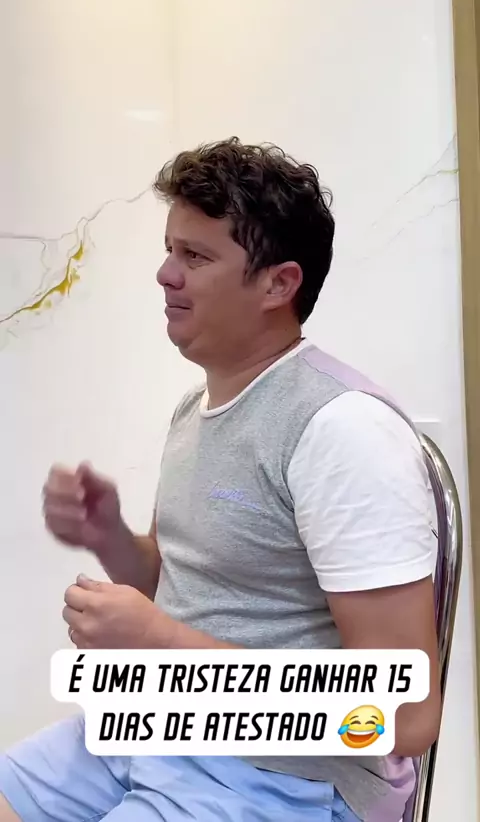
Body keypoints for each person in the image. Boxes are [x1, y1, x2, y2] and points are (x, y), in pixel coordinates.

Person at [0, 138, 440, 822]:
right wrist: (109, 536)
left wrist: (161, 645)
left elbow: (405, 715)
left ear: (278, 284)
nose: (164, 274)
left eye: (195, 257)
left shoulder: (343, 432)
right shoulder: (196, 409)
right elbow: (184, 592)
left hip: (286, 778)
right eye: (169, 250)